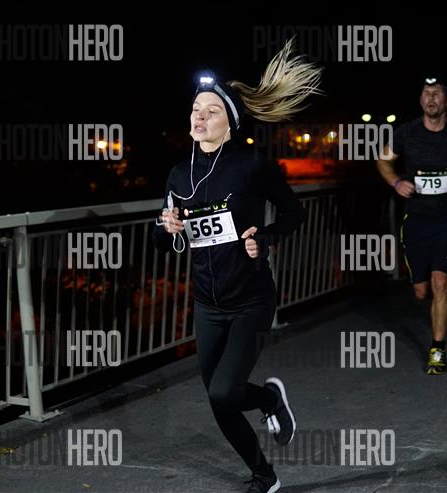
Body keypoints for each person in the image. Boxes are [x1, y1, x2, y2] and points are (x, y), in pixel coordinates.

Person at [153, 40, 322, 492]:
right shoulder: (179, 174)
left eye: (211, 111)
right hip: (207, 304)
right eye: (196, 109)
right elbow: (162, 239)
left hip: (250, 300)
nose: (199, 117)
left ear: (230, 123)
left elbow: (293, 213)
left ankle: (267, 397)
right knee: (219, 400)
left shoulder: (250, 166)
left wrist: (264, 238)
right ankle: (264, 475)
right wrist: (167, 226)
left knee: (225, 391)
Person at [376, 76, 447, 375]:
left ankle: (437, 350)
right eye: (426, 93)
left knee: (439, 282)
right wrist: (396, 182)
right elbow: (383, 161)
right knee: (421, 292)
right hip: (416, 221)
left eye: (437, 93)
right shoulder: (406, 133)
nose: (431, 99)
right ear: (420, 99)